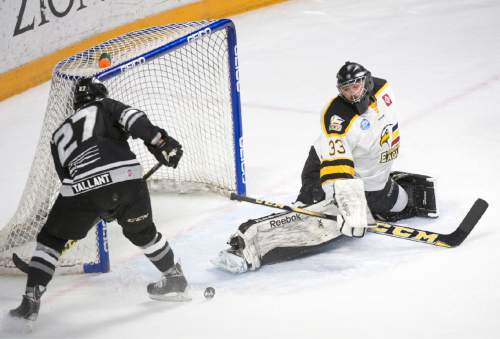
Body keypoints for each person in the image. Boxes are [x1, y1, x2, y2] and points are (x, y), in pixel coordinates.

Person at [213, 61, 438, 273]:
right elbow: (337, 169)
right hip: (327, 169)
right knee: (314, 220)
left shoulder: (383, 89)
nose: (351, 93)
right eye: (346, 89)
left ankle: (366, 203)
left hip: (372, 181)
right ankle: (246, 246)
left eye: (356, 86)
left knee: (400, 205)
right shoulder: (337, 118)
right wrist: (351, 207)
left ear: (367, 82)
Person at [10, 77, 188, 322]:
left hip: (82, 189)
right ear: (98, 94)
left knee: (52, 239)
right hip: (127, 178)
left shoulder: (57, 135)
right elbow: (134, 119)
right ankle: (174, 276)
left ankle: (31, 298)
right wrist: (160, 142)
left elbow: (67, 177)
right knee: (143, 232)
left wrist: (96, 205)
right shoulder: (104, 105)